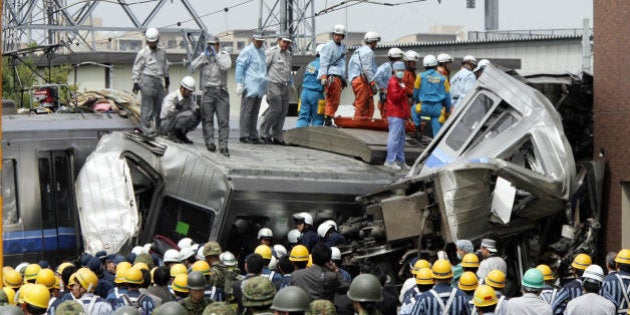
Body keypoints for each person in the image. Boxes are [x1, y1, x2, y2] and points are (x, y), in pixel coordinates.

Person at [191, 36, 232, 156]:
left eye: (213, 44)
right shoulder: (205, 55)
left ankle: (223, 146)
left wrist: (216, 55)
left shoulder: (224, 55)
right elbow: (193, 67)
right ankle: (209, 142)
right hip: (208, 91)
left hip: (221, 91)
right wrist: (204, 57)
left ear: (218, 45)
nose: (211, 47)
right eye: (209, 44)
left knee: (223, 120)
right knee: (207, 119)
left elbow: (226, 66)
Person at [132, 27, 169, 136]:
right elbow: (137, 67)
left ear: (157, 40)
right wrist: (135, 81)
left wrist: (167, 77)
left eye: (154, 42)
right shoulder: (143, 53)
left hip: (158, 80)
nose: (152, 44)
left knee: (160, 107)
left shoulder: (162, 52)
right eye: (150, 42)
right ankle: (147, 131)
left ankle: (160, 130)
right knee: (147, 107)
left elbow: (165, 65)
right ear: (147, 41)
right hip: (147, 80)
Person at [260, 35, 294, 145]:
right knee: (276, 109)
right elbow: (263, 67)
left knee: (283, 111)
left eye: (288, 43)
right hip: (272, 83)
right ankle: (264, 133)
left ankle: (277, 136)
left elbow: (288, 71)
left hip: (284, 85)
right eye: (284, 42)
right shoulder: (272, 52)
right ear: (279, 41)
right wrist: (263, 84)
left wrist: (291, 83)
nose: (285, 44)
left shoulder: (289, 55)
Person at [235, 32, 267, 144]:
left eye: (261, 41)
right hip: (250, 86)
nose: (259, 43)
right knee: (246, 111)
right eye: (258, 40)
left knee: (255, 112)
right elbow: (240, 66)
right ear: (253, 39)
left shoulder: (262, 52)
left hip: (259, 87)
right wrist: (239, 83)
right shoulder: (247, 51)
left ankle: (253, 134)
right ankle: (244, 135)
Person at [413, 54, 452, 137]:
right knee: (437, 134)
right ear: (435, 65)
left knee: (413, 109)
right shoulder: (443, 79)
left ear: (424, 66)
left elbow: (415, 93)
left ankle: (418, 131)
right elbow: (447, 97)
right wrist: (448, 112)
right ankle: (436, 145)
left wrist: (417, 102)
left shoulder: (420, 76)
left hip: (424, 107)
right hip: (437, 110)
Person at [318, 24, 347, 127]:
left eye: (340, 35)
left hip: (338, 76)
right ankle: (328, 118)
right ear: (333, 35)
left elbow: (342, 64)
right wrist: (323, 76)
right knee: (332, 97)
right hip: (331, 76)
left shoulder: (343, 48)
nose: (337, 37)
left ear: (343, 37)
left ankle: (329, 117)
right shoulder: (328, 46)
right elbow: (324, 62)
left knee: (336, 99)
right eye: (336, 34)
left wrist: (343, 77)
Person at [383, 61, 410, 171]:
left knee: (401, 139)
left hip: (400, 114)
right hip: (395, 114)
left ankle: (400, 160)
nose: (401, 72)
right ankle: (390, 161)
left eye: (402, 70)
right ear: (394, 71)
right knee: (394, 139)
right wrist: (403, 90)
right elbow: (395, 98)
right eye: (399, 70)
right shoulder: (394, 82)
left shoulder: (399, 81)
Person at [348, 31, 380, 119]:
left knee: (368, 105)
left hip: (356, 80)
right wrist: (373, 83)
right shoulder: (368, 52)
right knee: (362, 105)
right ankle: (357, 122)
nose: (376, 45)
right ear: (372, 42)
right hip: (362, 81)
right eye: (376, 42)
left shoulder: (358, 50)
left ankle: (365, 121)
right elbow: (367, 69)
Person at [159, 76, 200, 144]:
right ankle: (171, 134)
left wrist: (198, 111)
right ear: (183, 88)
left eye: (191, 91)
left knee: (197, 116)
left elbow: (194, 106)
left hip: (175, 121)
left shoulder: (188, 98)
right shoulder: (172, 97)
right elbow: (165, 113)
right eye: (189, 91)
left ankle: (181, 134)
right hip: (166, 124)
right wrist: (175, 108)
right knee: (189, 114)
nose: (190, 93)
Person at [296, 44, 326, 128]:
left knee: (303, 117)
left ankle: (298, 137)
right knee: (318, 118)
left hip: (304, 93)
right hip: (316, 94)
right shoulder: (323, 66)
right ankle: (315, 139)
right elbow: (325, 81)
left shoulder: (310, 64)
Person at [374, 47, 404, 119]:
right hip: (386, 97)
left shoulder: (396, 68)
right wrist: (383, 89)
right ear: (396, 58)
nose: (401, 60)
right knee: (386, 115)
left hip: (394, 96)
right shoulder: (386, 66)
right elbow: (377, 77)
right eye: (400, 58)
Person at [402, 50, 422, 139]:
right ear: (407, 62)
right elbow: (403, 86)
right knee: (408, 116)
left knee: (413, 116)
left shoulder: (413, 73)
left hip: (412, 99)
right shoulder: (406, 74)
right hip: (407, 99)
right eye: (412, 62)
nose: (414, 64)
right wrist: (411, 93)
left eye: (414, 62)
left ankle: (414, 132)